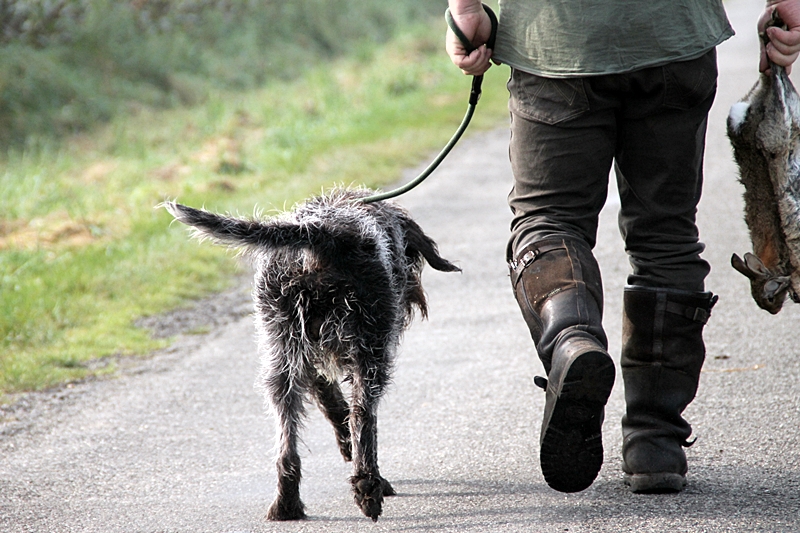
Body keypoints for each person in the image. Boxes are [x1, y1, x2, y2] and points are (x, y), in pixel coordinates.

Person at [445, 0, 800, 494]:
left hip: (556, 40)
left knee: (549, 222)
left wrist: (464, 12)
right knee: (666, 234)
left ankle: (573, 339)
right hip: (674, 37)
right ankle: (655, 442)